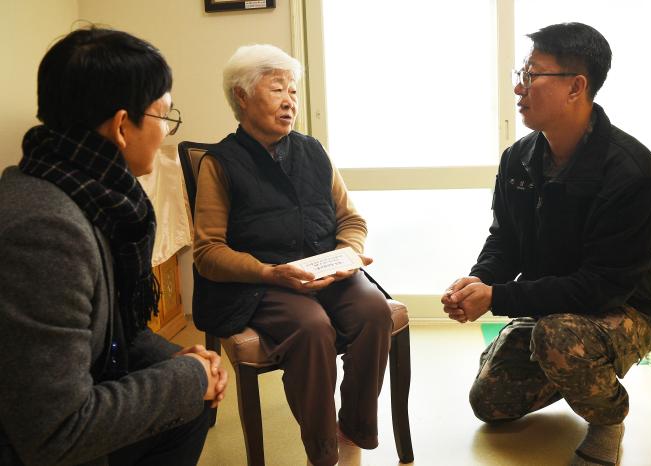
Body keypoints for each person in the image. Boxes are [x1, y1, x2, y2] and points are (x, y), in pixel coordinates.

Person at [442, 22, 651, 466]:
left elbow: (600, 288)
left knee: (558, 338)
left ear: (576, 87)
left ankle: (607, 417)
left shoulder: (632, 174)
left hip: (627, 308)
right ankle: (563, 364)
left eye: (532, 75)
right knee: (489, 404)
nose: (518, 87)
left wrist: (499, 298)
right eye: (521, 74)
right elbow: (505, 238)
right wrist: (480, 278)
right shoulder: (520, 158)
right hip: (554, 305)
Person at [0, 27, 228, 466]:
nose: (166, 132)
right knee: (188, 399)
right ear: (123, 126)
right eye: (164, 116)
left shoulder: (85, 193)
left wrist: (182, 359)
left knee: (191, 400)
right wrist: (186, 379)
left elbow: (112, 338)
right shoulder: (46, 232)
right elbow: (54, 433)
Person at [192, 44, 393, 466]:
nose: (290, 101)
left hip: (327, 272)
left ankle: (353, 427)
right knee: (311, 327)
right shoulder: (221, 162)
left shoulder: (313, 152)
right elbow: (208, 251)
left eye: (294, 92)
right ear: (242, 98)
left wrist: (347, 255)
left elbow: (352, 221)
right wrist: (270, 272)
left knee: (375, 310)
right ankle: (322, 452)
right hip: (262, 284)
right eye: (277, 89)